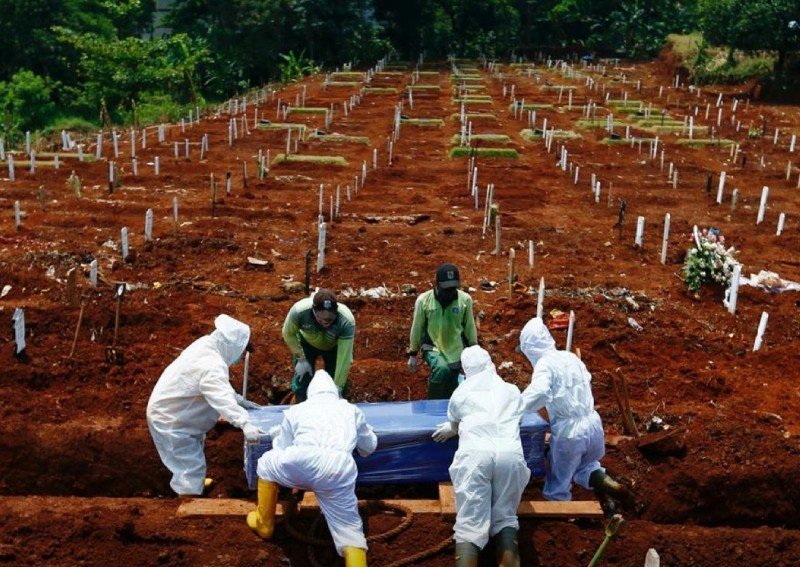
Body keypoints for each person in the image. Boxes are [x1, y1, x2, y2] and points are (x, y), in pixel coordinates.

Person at [247, 370, 377, 567]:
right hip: (338, 468)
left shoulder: (296, 410)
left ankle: (264, 524)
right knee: (350, 532)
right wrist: (369, 433)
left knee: (265, 465)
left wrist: (277, 435)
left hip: (301, 460)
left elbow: (282, 448)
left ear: (311, 393)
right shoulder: (351, 410)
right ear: (335, 392)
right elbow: (368, 448)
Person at [432, 345, 529, 567]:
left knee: (469, 524)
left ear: (466, 371)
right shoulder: (512, 390)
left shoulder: (461, 392)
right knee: (505, 517)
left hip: (475, 456)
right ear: (490, 364)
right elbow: (517, 421)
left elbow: (456, 424)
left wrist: (452, 428)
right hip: (510, 456)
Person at [146, 314, 264, 496]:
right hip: (171, 420)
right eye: (241, 353)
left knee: (191, 458)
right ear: (231, 345)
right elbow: (220, 395)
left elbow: (219, 388)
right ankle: (189, 502)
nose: (240, 358)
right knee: (189, 467)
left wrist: (240, 401)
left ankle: (194, 486)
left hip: (178, 414)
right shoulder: (212, 364)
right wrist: (244, 422)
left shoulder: (206, 346)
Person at [518, 317, 631, 506]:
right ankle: (610, 487)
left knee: (557, 485)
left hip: (570, 433)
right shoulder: (570, 357)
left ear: (530, 349)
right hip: (593, 425)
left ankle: (561, 523)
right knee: (587, 466)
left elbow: (540, 393)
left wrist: (514, 407)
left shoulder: (545, 365)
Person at [407, 263, 478, 399]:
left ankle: (448, 412)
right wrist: (413, 353)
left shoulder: (464, 300)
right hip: (433, 347)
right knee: (441, 369)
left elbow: (469, 326)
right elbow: (417, 327)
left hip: (455, 349)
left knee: (452, 384)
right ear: (437, 284)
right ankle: (432, 405)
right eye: (446, 288)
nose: (450, 292)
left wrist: (474, 349)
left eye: (453, 288)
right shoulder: (424, 300)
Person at [282, 289, 355, 402]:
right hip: (306, 343)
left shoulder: (346, 321)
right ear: (313, 310)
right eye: (321, 319)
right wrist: (300, 358)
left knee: (336, 382)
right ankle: (300, 403)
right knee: (303, 378)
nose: (325, 322)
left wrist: (338, 387)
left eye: (330, 319)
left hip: (334, 347)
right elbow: (288, 334)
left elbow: (344, 359)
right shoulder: (299, 312)